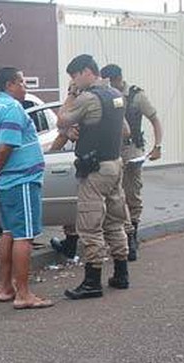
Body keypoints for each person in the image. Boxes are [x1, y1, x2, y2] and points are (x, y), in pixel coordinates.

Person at [0, 66, 53, 310]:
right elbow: (5, 146)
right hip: (20, 180)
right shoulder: (11, 108)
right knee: (24, 237)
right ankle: (23, 294)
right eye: (22, 82)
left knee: (9, 233)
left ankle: (6, 288)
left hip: (5, 183)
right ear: (10, 84)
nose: (25, 87)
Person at [55, 54, 130, 300]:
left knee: (90, 225)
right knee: (115, 221)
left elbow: (62, 119)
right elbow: (125, 130)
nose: (74, 82)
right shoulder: (116, 96)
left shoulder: (88, 97)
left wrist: (71, 94)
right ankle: (121, 273)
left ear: (86, 71)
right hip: (115, 165)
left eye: (75, 77)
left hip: (95, 170)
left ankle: (92, 282)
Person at [100, 64, 163, 261]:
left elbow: (155, 119)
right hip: (111, 148)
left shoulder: (136, 95)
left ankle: (132, 236)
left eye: (109, 81)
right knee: (113, 195)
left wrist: (157, 146)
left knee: (131, 192)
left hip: (131, 149)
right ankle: (119, 236)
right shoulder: (104, 95)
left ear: (116, 79)